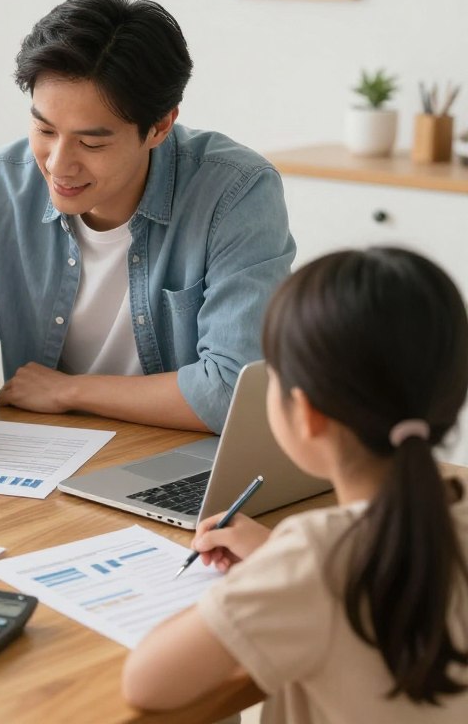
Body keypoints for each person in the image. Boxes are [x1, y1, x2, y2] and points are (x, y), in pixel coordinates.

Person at [0, 0, 295, 452]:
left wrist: (69, 390)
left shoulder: (236, 191)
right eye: (45, 131)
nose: (59, 165)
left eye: (92, 144)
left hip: (179, 456)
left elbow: (233, 390)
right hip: (49, 457)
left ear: (160, 126)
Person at [121, 248, 468, 722]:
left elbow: (146, 681)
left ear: (307, 415)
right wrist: (277, 563)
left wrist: (269, 579)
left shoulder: (314, 557)